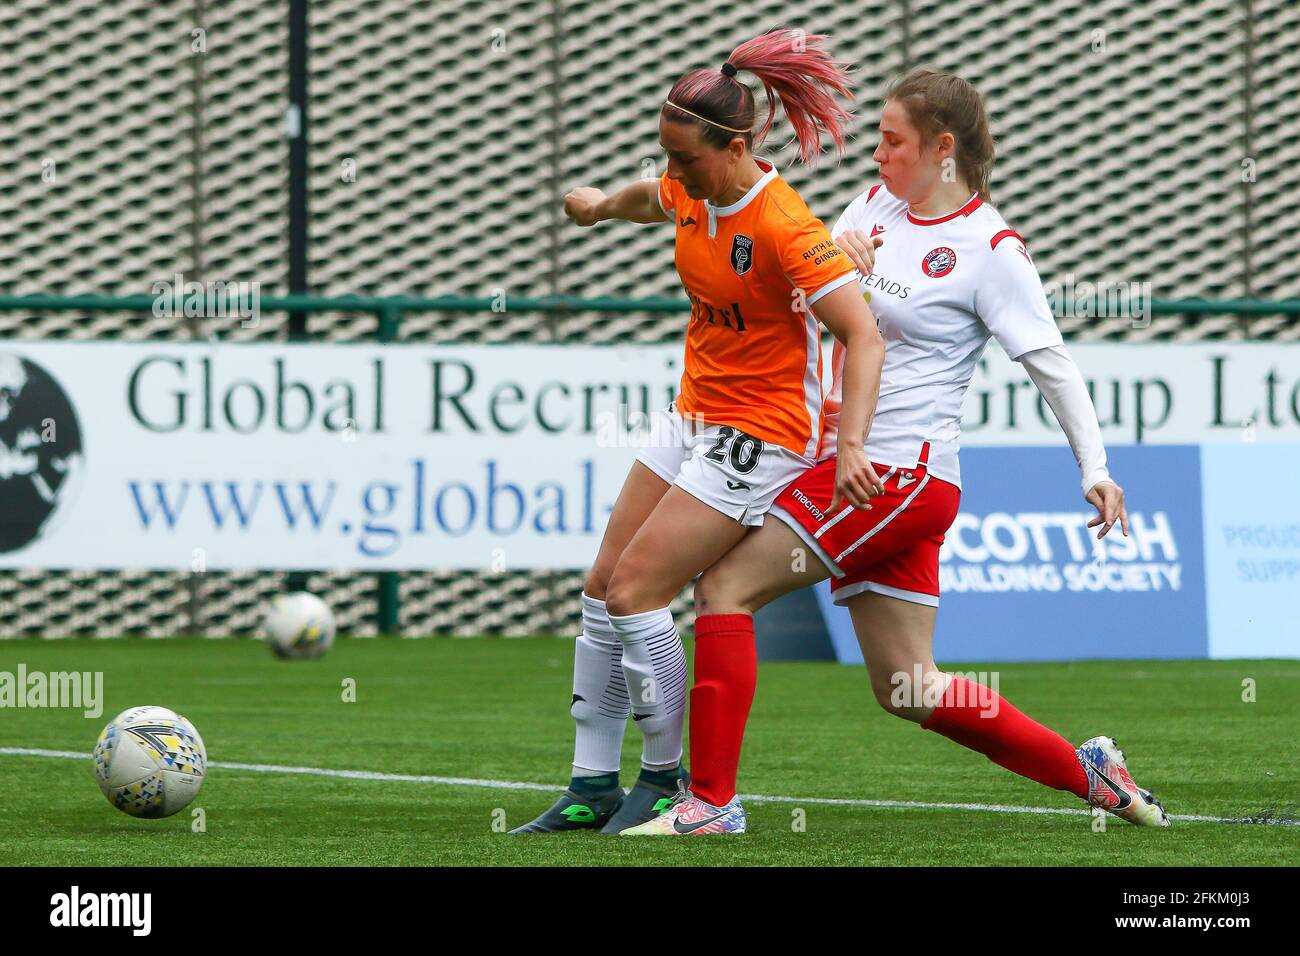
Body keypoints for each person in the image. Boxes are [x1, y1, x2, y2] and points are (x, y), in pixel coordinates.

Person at [622, 68, 1170, 836]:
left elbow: (1052, 364)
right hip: (860, 471)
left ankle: (710, 803)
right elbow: (814, 287)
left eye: (891, 142)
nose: (875, 155)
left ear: (942, 150)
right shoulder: (874, 206)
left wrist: (1097, 471)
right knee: (909, 686)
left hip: (897, 474)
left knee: (724, 589)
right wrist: (836, 257)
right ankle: (1090, 771)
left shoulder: (991, 250)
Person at [512, 29, 887, 834]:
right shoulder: (689, 188)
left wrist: (849, 442)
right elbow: (654, 196)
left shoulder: (787, 225)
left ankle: (664, 776)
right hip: (693, 415)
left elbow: (863, 334)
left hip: (763, 431)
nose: (674, 174)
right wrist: (600, 207)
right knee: (599, 587)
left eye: (686, 159)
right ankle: (591, 785)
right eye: (667, 155)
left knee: (637, 592)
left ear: (740, 146)